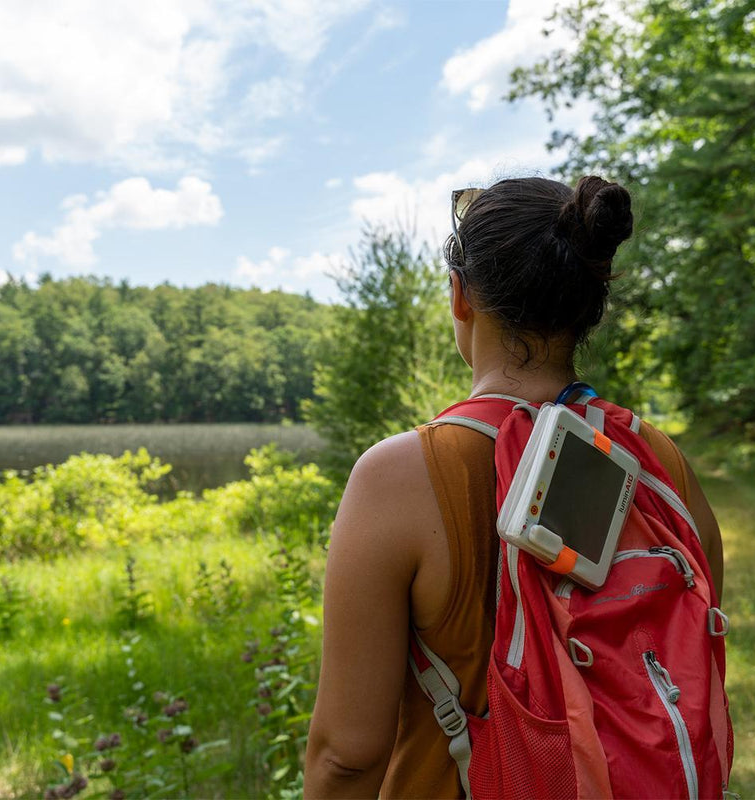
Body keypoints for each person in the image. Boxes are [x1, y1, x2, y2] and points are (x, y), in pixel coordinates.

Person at [303, 175, 724, 799]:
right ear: (589, 305)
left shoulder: (398, 477)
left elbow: (346, 754)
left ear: (460, 296)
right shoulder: (661, 463)